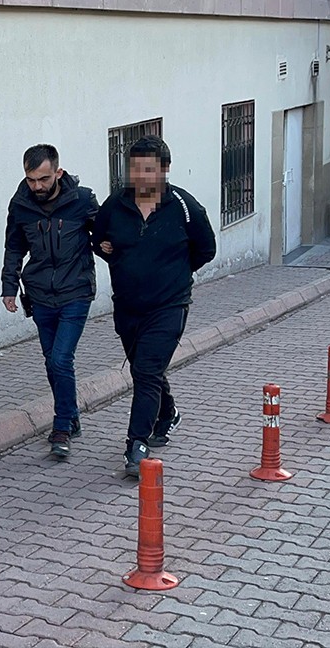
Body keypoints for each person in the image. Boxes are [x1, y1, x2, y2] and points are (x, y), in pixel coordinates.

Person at [92, 135, 216, 477]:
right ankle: (167, 413)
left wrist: (173, 275)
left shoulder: (184, 207)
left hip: (169, 306)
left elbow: (206, 250)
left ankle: (136, 444)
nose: (140, 176)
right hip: (128, 307)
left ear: (164, 170)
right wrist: (110, 253)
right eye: (135, 169)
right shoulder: (115, 205)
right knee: (144, 370)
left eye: (148, 169)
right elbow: (99, 242)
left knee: (146, 371)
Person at [0, 144, 99, 459]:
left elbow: (103, 237)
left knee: (60, 360)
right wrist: (9, 287)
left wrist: (113, 250)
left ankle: (61, 427)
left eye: (43, 179)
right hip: (40, 294)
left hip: (76, 291)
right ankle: (72, 416)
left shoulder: (82, 201)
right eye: (31, 180)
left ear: (58, 172)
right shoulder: (20, 205)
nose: (37, 186)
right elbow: (14, 247)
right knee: (51, 361)